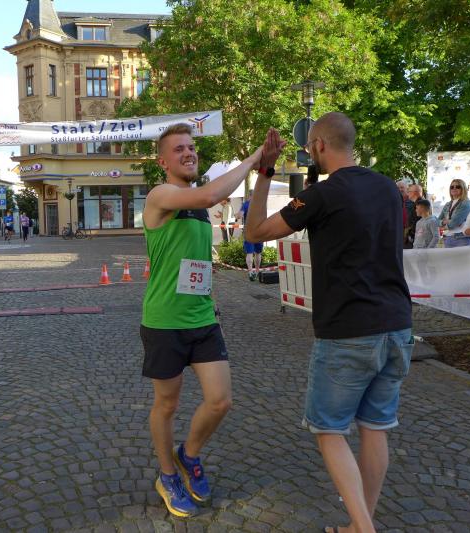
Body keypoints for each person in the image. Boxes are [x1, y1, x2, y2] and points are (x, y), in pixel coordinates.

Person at [244, 112, 412, 533]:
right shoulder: (388, 188)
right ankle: (359, 524)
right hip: (397, 325)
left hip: (348, 330)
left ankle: (364, 529)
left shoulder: (322, 195)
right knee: (376, 429)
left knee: (330, 430)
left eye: (309, 148)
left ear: (318, 145)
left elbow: (256, 231)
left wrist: (265, 172)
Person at [141, 123, 284, 517]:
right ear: (163, 162)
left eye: (191, 147)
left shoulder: (201, 208)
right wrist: (253, 158)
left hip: (203, 318)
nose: (188, 153)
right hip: (165, 321)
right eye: (179, 149)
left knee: (220, 400)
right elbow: (209, 193)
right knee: (166, 405)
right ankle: (167, 475)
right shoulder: (161, 195)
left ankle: (188, 455)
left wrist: (265, 169)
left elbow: (197, 262)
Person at [236, 191, 263, 281]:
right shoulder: (260, 204)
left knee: (250, 253)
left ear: (249, 195)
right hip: (259, 230)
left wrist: (237, 215)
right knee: (258, 252)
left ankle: (251, 272)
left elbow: (239, 216)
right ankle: (257, 271)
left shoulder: (246, 204)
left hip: (249, 230)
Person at [438, 179, 470, 247]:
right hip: (447, 237)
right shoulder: (447, 204)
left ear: (463, 188)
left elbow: (454, 222)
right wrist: (443, 222)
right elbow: (437, 221)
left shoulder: (466, 203)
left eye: (457, 186)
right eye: (452, 187)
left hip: (461, 238)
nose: (454, 188)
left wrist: (444, 226)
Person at [404, 184, 423, 249]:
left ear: (415, 192)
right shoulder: (418, 203)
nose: (407, 194)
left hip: (417, 238)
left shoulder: (420, 204)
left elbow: (418, 222)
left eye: (409, 191)